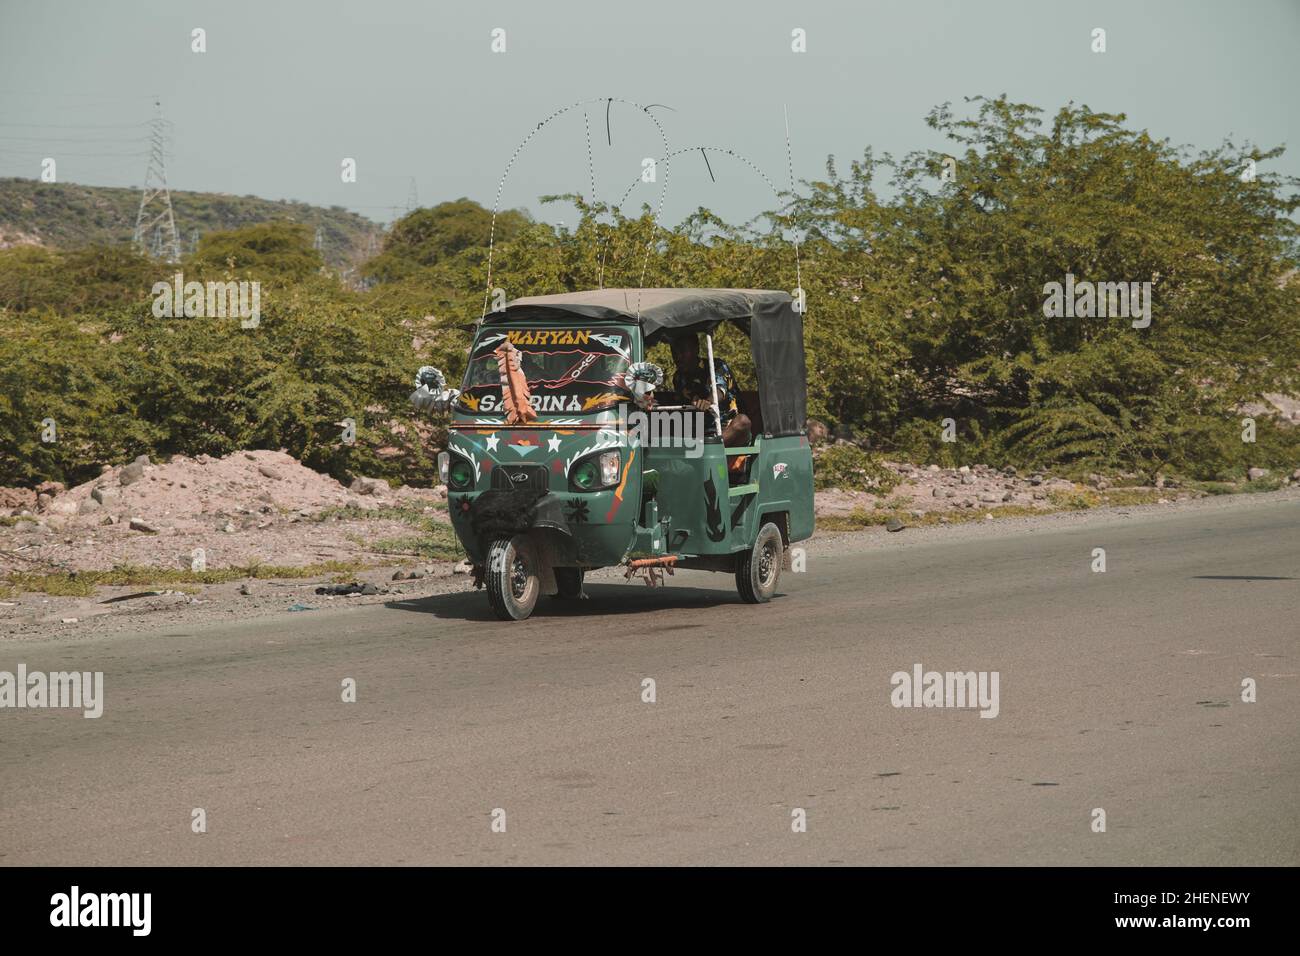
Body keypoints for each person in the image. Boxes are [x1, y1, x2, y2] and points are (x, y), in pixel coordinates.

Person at [669, 333, 751, 446]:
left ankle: (711, 449)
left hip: (729, 429)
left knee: (743, 421)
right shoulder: (679, 377)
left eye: (682, 351)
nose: (678, 357)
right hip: (700, 433)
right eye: (674, 352)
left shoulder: (717, 365)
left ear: (696, 349)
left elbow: (719, 391)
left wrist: (708, 401)